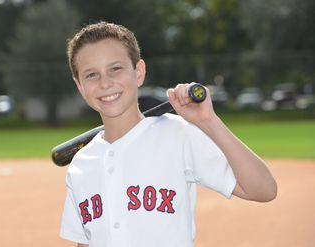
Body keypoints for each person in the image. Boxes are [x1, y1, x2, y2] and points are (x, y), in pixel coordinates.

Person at [60, 21, 277, 247]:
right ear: (80, 85)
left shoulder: (177, 135)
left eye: (115, 68)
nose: (105, 82)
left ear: (139, 72)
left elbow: (263, 189)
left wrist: (209, 122)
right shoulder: (81, 165)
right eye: (91, 74)